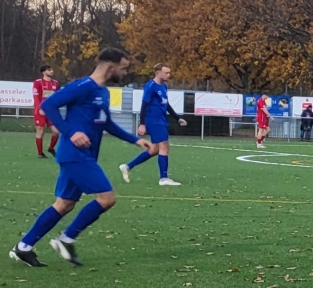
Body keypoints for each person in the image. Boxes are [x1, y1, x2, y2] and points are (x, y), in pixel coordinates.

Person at [10, 48, 152, 267]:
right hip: (75, 155)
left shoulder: (103, 92)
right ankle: (66, 239)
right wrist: (70, 132)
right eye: (123, 68)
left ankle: (24, 247)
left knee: (64, 204)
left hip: (84, 156)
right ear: (110, 67)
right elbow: (48, 105)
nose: (125, 73)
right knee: (107, 198)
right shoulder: (82, 86)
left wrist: (135, 140)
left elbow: (107, 124)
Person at [121, 64, 187, 187]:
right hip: (153, 121)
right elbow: (144, 105)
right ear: (157, 73)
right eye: (166, 73)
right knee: (164, 145)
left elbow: (166, 104)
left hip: (161, 120)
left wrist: (177, 118)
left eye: (169, 72)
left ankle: (128, 166)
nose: (169, 75)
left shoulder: (164, 87)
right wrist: (142, 124)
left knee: (155, 149)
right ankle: (163, 178)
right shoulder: (150, 86)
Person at [32, 66, 61, 157]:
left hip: (52, 111)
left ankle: (51, 148)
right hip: (40, 111)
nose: (51, 71)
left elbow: (58, 97)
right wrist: (40, 108)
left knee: (56, 131)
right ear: (43, 72)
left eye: (52, 69)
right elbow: (36, 97)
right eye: (49, 70)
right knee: (40, 130)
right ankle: (40, 153)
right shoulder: (38, 82)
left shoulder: (56, 83)